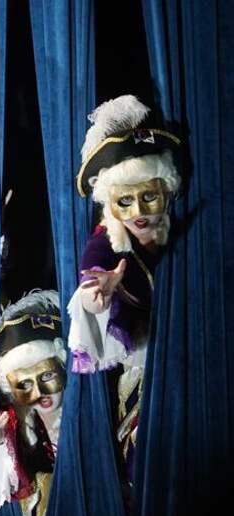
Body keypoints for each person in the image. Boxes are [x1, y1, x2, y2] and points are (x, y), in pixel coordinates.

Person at [67, 95, 181, 482]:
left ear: (166, 190)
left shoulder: (181, 226)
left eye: (149, 197)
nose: (139, 213)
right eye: (125, 201)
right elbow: (91, 276)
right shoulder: (107, 240)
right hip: (143, 365)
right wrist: (98, 293)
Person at [0, 290, 65, 516]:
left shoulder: (87, 410)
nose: (39, 392)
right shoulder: (17, 422)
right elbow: (1, 458)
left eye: (47, 375)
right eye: (24, 384)